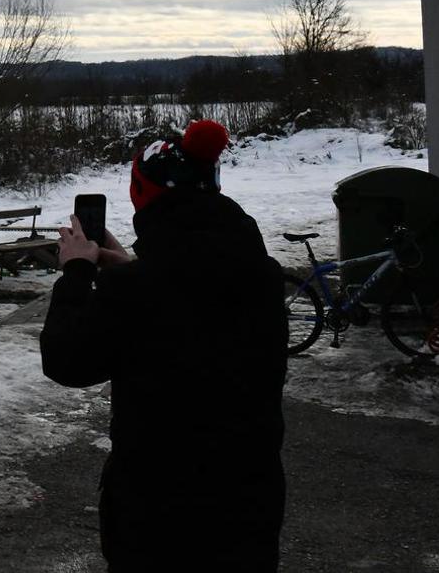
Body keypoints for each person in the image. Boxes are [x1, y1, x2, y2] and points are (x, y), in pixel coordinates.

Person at [40, 120, 287, 572]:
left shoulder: (138, 291)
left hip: (157, 507)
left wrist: (76, 273)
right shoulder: (264, 274)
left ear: (145, 197)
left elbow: (66, 361)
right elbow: (193, 306)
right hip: (250, 496)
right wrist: (131, 268)